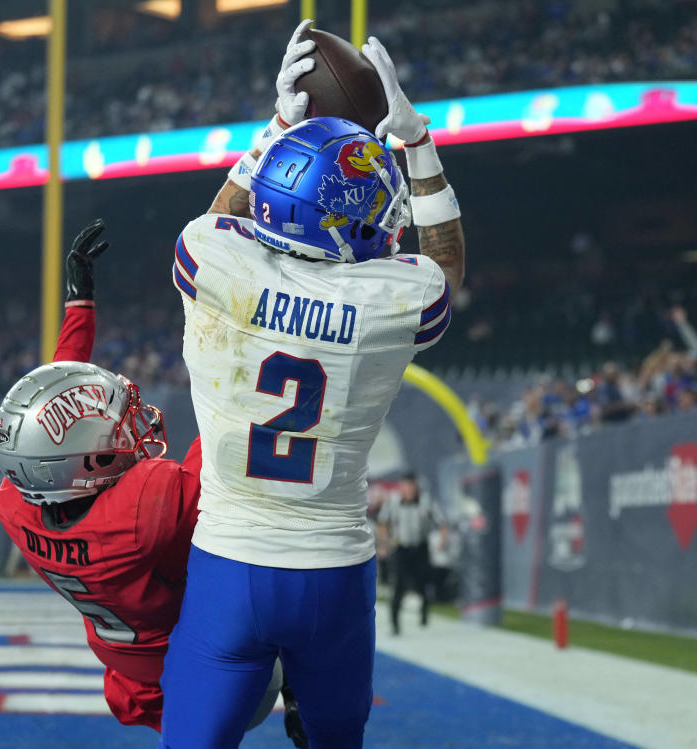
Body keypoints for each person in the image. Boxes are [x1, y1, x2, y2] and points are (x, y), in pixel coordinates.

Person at [162, 22, 465, 748]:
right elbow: (445, 266)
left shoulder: (214, 262)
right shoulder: (394, 299)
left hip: (227, 565)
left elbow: (219, 216)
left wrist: (275, 128)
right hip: (333, 569)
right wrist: (417, 144)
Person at [0, 221, 296, 740]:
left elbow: (54, 423)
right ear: (89, 465)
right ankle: (302, 694)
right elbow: (227, 433)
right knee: (279, 556)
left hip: (130, 671)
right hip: (207, 670)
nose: (132, 425)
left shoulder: (18, 503)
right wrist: (244, 343)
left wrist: (78, 308)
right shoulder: (144, 508)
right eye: (117, 426)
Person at [377, 475, 433, 635]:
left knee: (422, 584)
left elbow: (440, 520)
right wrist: (383, 542)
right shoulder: (393, 502)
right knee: (398, 586)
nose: (408, 490)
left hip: (420, 548)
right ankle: (395, 624)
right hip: (401, 548)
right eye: (405, 486)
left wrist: (442, 538)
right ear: (401, 487)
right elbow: (383, 522)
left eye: (411, 486)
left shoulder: (425, 501)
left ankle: (424, 613)